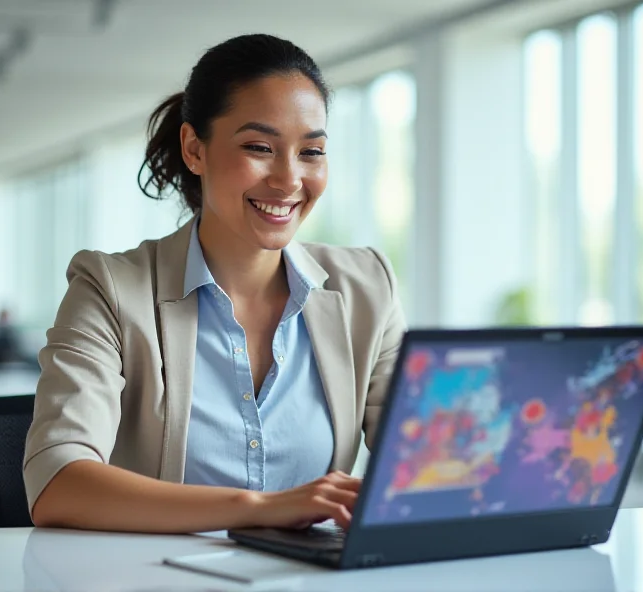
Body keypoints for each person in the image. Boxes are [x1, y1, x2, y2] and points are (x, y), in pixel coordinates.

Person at [23, 34, 406, 534]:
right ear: (194, 149)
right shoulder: (111, 289)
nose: (290, 179)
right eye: (259, 147)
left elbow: (425, 462)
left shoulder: (366, 288)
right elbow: (57, 484)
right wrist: (260, 509)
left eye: (311, 151)